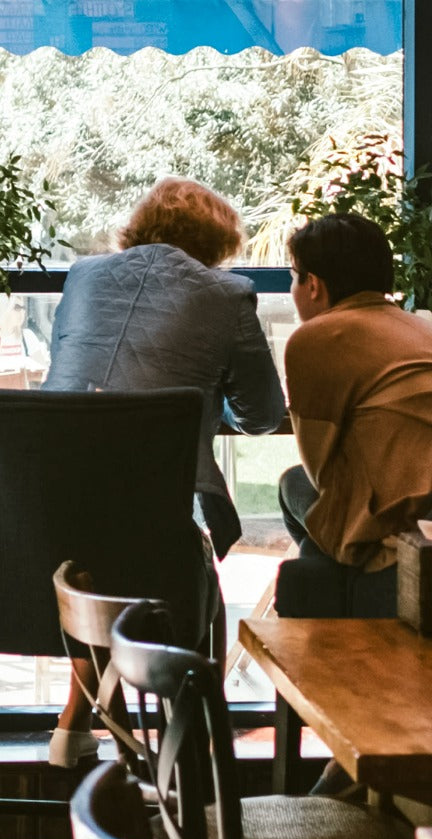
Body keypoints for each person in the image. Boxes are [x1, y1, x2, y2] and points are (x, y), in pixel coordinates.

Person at [41, 177, 286, 766]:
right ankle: (191, 757)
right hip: (153, 525)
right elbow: (262, 414)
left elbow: (73, 363)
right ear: (218, 242)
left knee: (99, 555)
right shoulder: (227, 295)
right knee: (188, 569)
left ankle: (86, 720)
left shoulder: (83, 275)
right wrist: (207, 394)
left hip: (43, 510)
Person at [279, 211, 432, 573]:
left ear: (313, 285)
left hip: (392, 524)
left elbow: (320, 469)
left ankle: (328, 590)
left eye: (292, 280)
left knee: (294, 483)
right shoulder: (422, 328)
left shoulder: (316, 339)